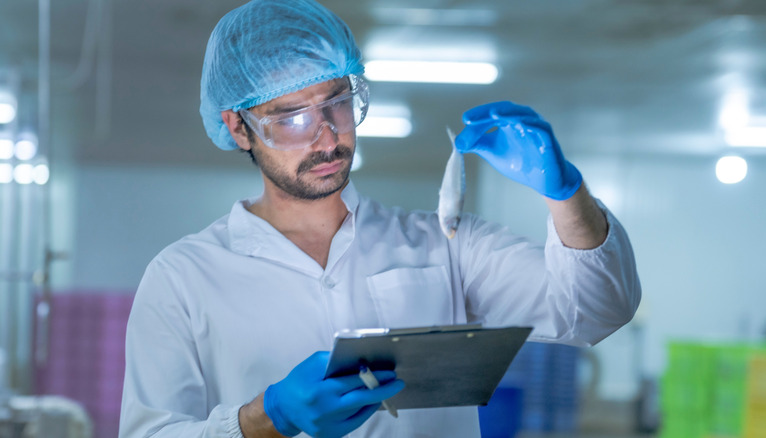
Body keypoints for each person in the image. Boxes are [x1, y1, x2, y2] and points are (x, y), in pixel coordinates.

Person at [118, 0, 641, 437]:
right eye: (292, 118)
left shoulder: (447, 244)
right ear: (238, 128)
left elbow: (595, 311)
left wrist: (566, 193)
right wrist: (264, 418)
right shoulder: (182, 276)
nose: (326, 136)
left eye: (336, 102)